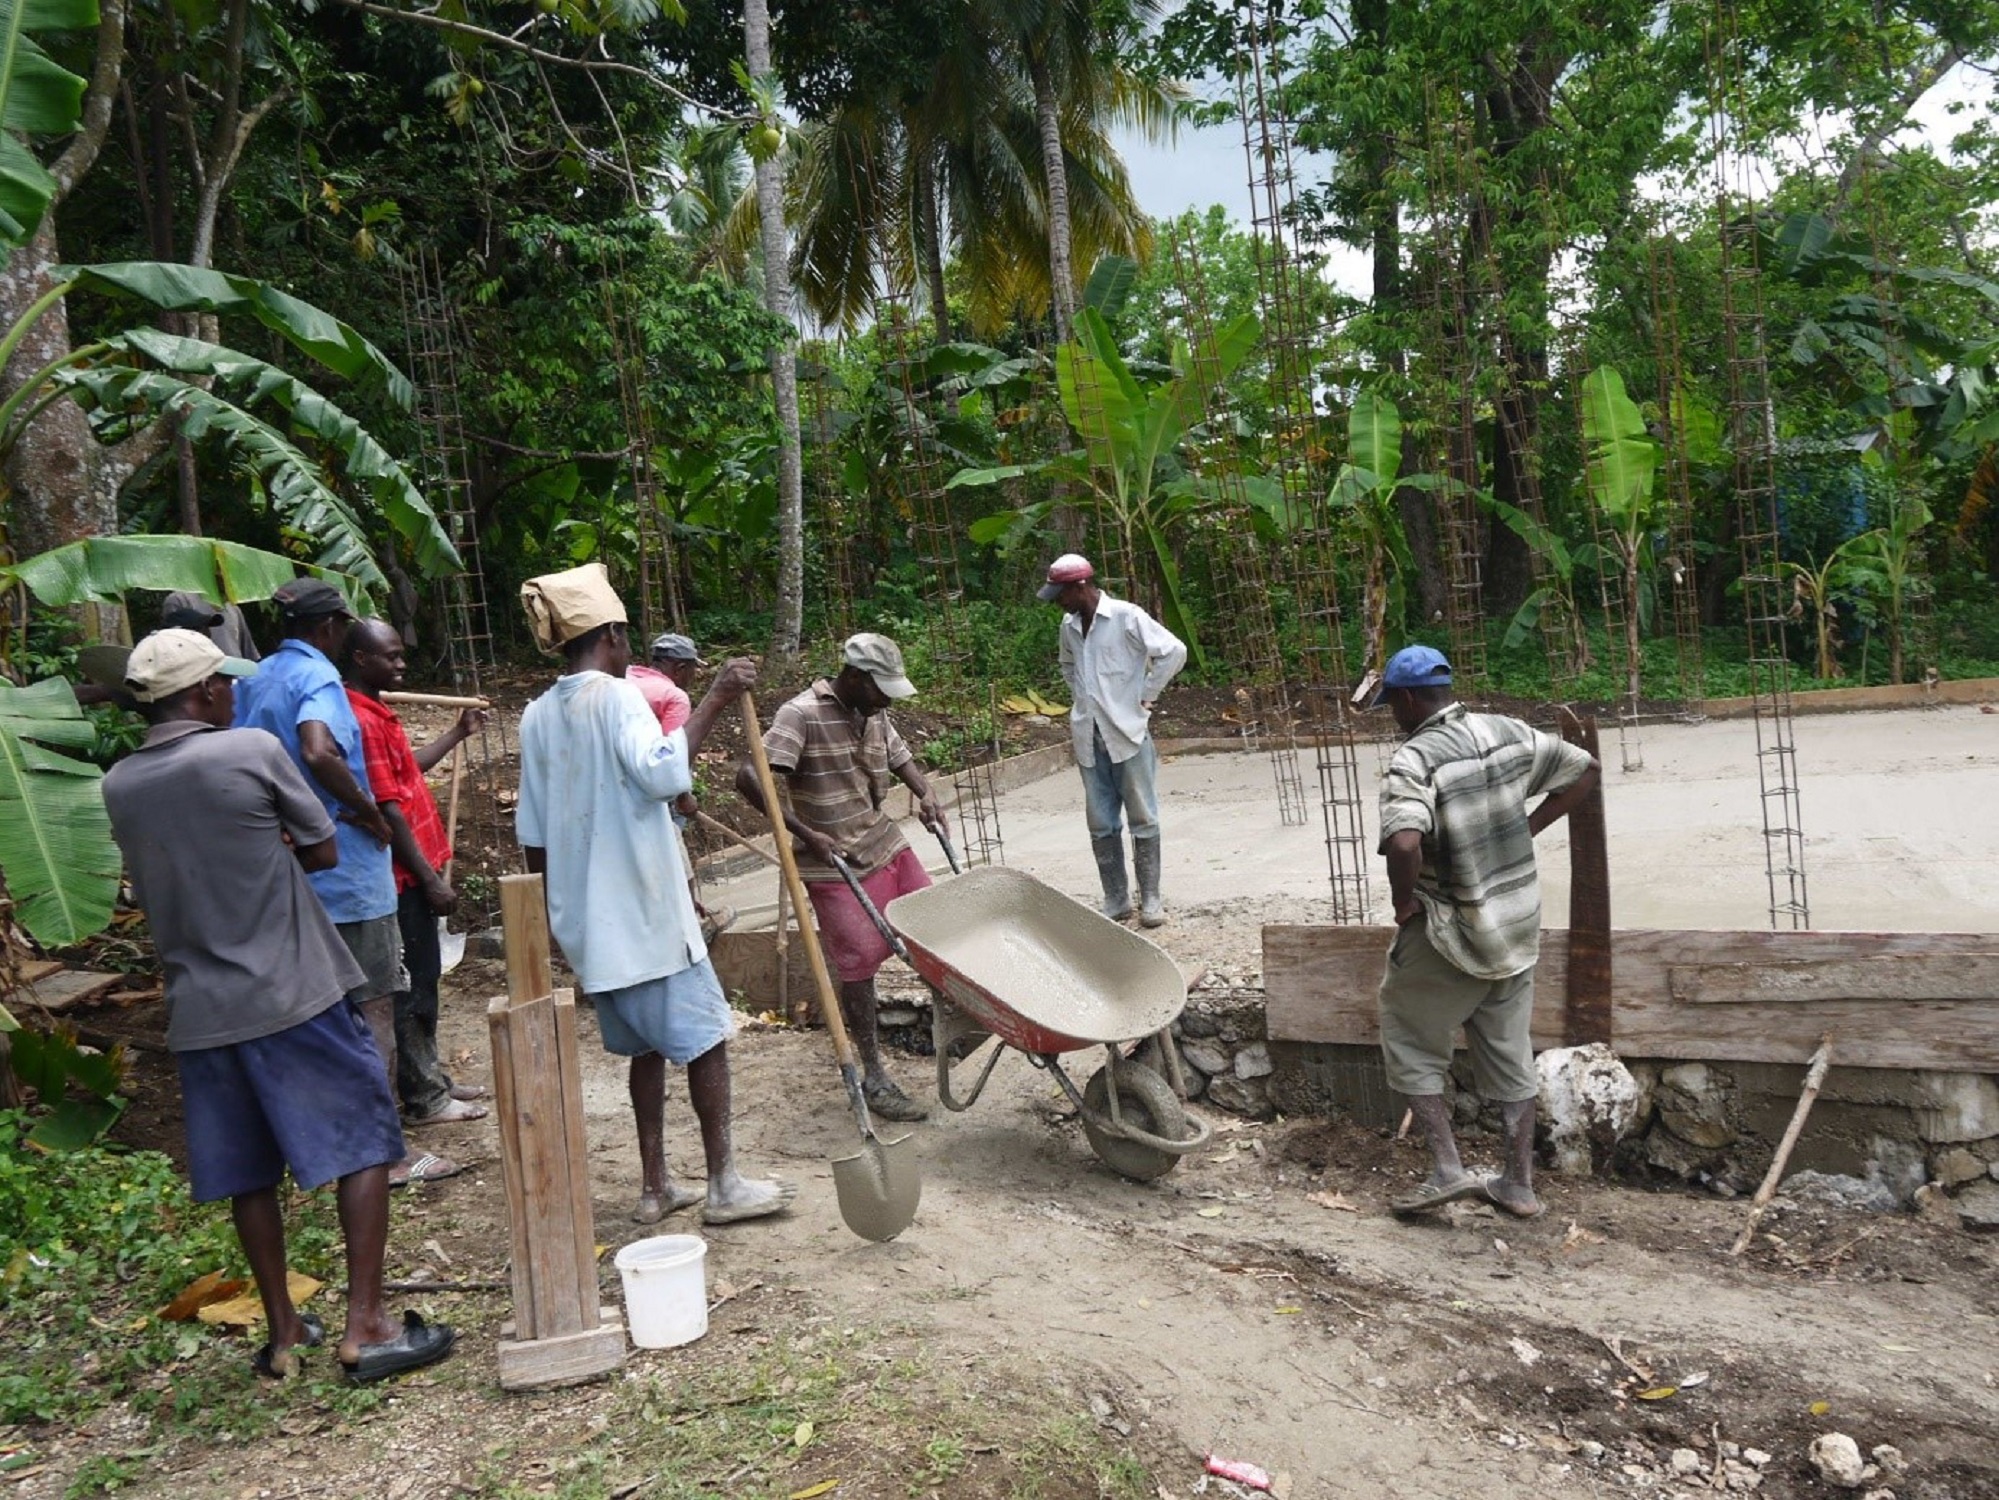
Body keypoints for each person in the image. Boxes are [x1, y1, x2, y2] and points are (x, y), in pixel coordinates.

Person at [102, 629, 455, 1384]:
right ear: (202, 694)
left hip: (200, 1009)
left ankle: (284, 1331)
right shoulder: (250, 752)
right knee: (366, 1137)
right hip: (294, 987)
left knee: (248, 1172)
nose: (234, 694)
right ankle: (368, 1324)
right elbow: (323, 847)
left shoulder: (120, 782)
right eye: (224, 685)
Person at [515, 563, 792, 1226]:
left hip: (591, 925)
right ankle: (723, 1184)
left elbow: (533, 835)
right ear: (609, 635)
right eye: (624, 636)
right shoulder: (614, 698)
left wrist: (559, 919)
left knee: (645, 1048)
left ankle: (655, 1185)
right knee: (705, 1040)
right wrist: (716, 699)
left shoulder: (535, 715)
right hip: (643, 914)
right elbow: (664, 773)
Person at [232, 578, 456, 1188]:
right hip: (347, 874)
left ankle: (324, 1144)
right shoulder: (318, 681)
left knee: (314, 1013)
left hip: (286, 873)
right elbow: (319, 750)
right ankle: (385, 1154)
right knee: (375, 1008)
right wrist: (361, 811)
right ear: (330, 628)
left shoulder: (251, 678)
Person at [1370, 645, 1601, 1221]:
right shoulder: (1509, 731)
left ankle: (1448, 1167)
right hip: (1517, 927)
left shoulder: (1415, 759)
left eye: (1390, 706)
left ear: (1404, 699)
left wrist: (1404, 904)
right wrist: (1529, 826)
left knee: (1407, 1034)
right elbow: (1585, 770)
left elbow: (1403, 841)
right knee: (1508, 1051)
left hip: (1453, 930)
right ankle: (1517, 1183)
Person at [734, 633, 946, 1123]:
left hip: (883, 841)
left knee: (933, 923)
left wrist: (926, 793)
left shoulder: (873, 712)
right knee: (859, 963)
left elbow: (899, 756)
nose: (888, 699)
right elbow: (750, 776)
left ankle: (957, 1019)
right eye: (882, 689)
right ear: (854, 677)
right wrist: (806, 833)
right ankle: (873, 1073)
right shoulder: (801, 715)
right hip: (833, 861)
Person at [341, 619, 492, 1126]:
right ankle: (424, 1097)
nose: (401, 664)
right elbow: (388, 810)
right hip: (403, 880)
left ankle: (432, 1078)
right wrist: (428, 877)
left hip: (414, 874)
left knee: (424, 977)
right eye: (391, 655)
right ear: (361, 659)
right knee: (412, 983)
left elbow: (407, 773)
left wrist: (456, 734)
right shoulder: (360, 721)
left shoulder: (378, 714)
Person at [1038, 553, 1187, 927]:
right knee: (1101, 822)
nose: (1058, 601)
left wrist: (1146, 695)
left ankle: (1150, 900)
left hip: (1128, 733)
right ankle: (1116, 899)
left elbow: (1173, 651)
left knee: (1142, 817)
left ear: (1080, 586)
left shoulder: (1126, 617)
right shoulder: (1068, 627)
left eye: (1061, 594)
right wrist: (1083, 700)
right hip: (1089, 736)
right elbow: (1068, 666)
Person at [630, 633, 735, 942]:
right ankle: (690, 922)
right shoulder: (671, 696)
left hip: (614, 790)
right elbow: (673, 757)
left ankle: (676, 907)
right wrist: (684, 797)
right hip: (649, 792)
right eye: (692, 669)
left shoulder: (625, 680)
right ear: (678, 667)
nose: (694, 676)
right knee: (671, 833)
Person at [161, 590, 262, 662]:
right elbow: (173, 650)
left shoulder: (233, 608)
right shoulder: (180, 599)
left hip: (235, 681)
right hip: (202, 681)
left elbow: (249, 655)